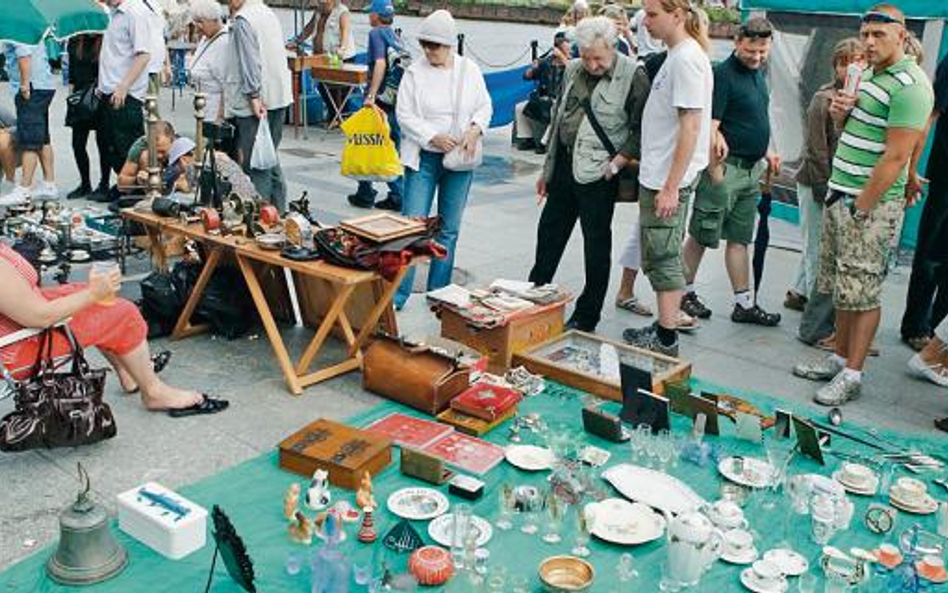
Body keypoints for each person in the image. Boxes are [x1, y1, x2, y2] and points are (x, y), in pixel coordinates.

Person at [793, 4, 933, 407]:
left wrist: (862, 205)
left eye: (879, 35)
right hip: (840, 191)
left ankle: (853, 374)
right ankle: (838, 357)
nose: (869, 42)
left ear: (902, 36)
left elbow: (897, 155)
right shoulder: (869, 74)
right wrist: (841, 115)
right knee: (842, 285)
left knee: (864, 290)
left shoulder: (911, 84)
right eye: (866, 34)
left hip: (867, 205)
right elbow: (854, 133)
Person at [0, 243, 228, 417]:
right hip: (19, 347)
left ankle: (129, 372)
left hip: (17, 326)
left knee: (94, 300)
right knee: (123, 313)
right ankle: (154, 391)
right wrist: (92, 294)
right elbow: (39, 316)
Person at [527, 17, 637, 332]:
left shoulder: (632, 73)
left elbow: (641, 127)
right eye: (586, 56)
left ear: (613, 48)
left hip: (601, 171)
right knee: (549, 232)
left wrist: (617, 162)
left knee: (596, 242)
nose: (591, 64)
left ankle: (588, 314)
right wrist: (547, 170)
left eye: (598, 58)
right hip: (564, 163)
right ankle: (535, 292)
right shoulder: (573, 68)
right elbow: (560, 116)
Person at [621, 0, 713, 356]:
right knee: (658, 251)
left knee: (663, 254)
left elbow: (690, 125)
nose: (645, 20)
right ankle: (665, 325)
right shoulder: (679, 55)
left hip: (667, 177)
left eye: (654, 13)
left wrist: (671, 185)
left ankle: (667, 335)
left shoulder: (687, 59)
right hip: (659, 173)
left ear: (677, 15)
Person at [678, 17, 781, 327]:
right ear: (738, 42)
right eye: (751, 50)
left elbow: (752, 118)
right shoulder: (722, 75)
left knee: (740, 239)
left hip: (752, 171)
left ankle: (744, 303)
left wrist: (766, 151)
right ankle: (683, 293)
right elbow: (710, 127)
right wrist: (715, 170)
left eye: (763, 51)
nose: (757, 57)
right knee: (701, 234)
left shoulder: (759, 74)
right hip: (726, 169)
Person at [394, 9, 492, 309]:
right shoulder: (414, 72)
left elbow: (484, 105)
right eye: (424, 44)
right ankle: (398, 295)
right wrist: (431, 136)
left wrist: (475, 129)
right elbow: (404, 114)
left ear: (449, 44)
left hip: (459, 158)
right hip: (424, 156)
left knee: (449, 228)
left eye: (434, 45)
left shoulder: (469, 70)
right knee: (413, 226)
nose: (428, 50)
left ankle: (439, 292)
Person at [791, 39, 865, 354]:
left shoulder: (859, 99)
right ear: (835, 65)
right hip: (816, 183)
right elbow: (816, 149)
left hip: (836, 184)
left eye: (858, 60)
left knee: (817, 244)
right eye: (844, 61)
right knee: (817, 249)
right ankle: (811, 310)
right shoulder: (823, 100)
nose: (850, 67)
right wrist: (824, 188)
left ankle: (797, 291)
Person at [225, 0, 294, 211]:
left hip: (257, 101)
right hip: (278, 95)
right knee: (269, 158)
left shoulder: (244, 19)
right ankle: (280, 211)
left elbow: (250, 60)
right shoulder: (267, 13)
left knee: (257, 165)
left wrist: (253, 96)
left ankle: (262, 216)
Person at [900, 56, 947, 351]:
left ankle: (936, 329)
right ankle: (916, 325)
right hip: (945, 176)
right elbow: (930, 116)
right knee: (931, 253)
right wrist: (911, 168)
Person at [347, 0, 404, 210]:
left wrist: (371, 96)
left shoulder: (376, 34)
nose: (368, 16)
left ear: (377, 15)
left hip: (379, 100)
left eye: (371, 12)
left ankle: (373, 193)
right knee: (389, 146)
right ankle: (390, 193)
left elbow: (380, 63)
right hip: (395, 101)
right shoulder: (395, 36)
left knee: (367, 141)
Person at [97, 0, 152, 179]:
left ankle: (134, 191)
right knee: (111, 145)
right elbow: (113, 52)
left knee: (128, 147)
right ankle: (123, 186)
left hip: (126, 94)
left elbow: (143, 55)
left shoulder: (135, 12)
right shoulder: (113, 13)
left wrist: (124, 86)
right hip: (109, 90)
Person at [0, 41, 58, 205]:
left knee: (29, 141)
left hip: (31, 87)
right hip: (42, 85)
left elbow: (24, 55)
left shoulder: (16, 28)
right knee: (43, 138)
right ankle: (49, 184)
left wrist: (24, 85)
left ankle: (24, 189)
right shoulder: (28, 25)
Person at [66, 16, 111, 202]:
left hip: (100, 96)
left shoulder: (107, 42)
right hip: (80, 96)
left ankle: (104, 184)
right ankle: (85, 183)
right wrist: (71, 95)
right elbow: (72, 71)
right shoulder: (75, 40)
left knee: (103, 143)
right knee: (77, 143)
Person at [513, 31, 570, 153]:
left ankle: (543, 143)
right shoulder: (546, 62)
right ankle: (527, 138)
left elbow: (573, 72)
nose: (568, 51)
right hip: (545, 97)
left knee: (556, 110)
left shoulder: (572, 63)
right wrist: (532, 68)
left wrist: (562, 57)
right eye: (565, 48)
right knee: (519, 107)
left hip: (562, 100)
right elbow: (527, 76)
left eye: (568, 49)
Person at [188, 0, 230, 123]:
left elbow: (226, 85)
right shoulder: (206, 37)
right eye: (196, 21)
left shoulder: (224, 43)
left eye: (201, 21)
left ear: (215, 20)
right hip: (203, 109)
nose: (197, 27)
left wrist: (220, 117)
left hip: (214, 112)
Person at [116, 120, 176, 190]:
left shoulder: (181, 146)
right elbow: (121, 184)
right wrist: (137, 180)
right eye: (155, 152)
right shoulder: (140, 147)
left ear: (172, 141)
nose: (159, 156)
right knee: (145, 157)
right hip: (145, 187)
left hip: (170, 186)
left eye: (162, 151)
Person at [290, 0, 357, 61]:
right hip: (321, 57)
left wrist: (342, 49)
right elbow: (309, 28)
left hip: (342, 59)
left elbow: (345, 34)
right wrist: (297, 41)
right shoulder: (318, 10)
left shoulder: (343, 12)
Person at [0, 102, 18, 191]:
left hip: (8, 151)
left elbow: (19, 125)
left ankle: (10, 182)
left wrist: (5, 131)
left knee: (3, 139)